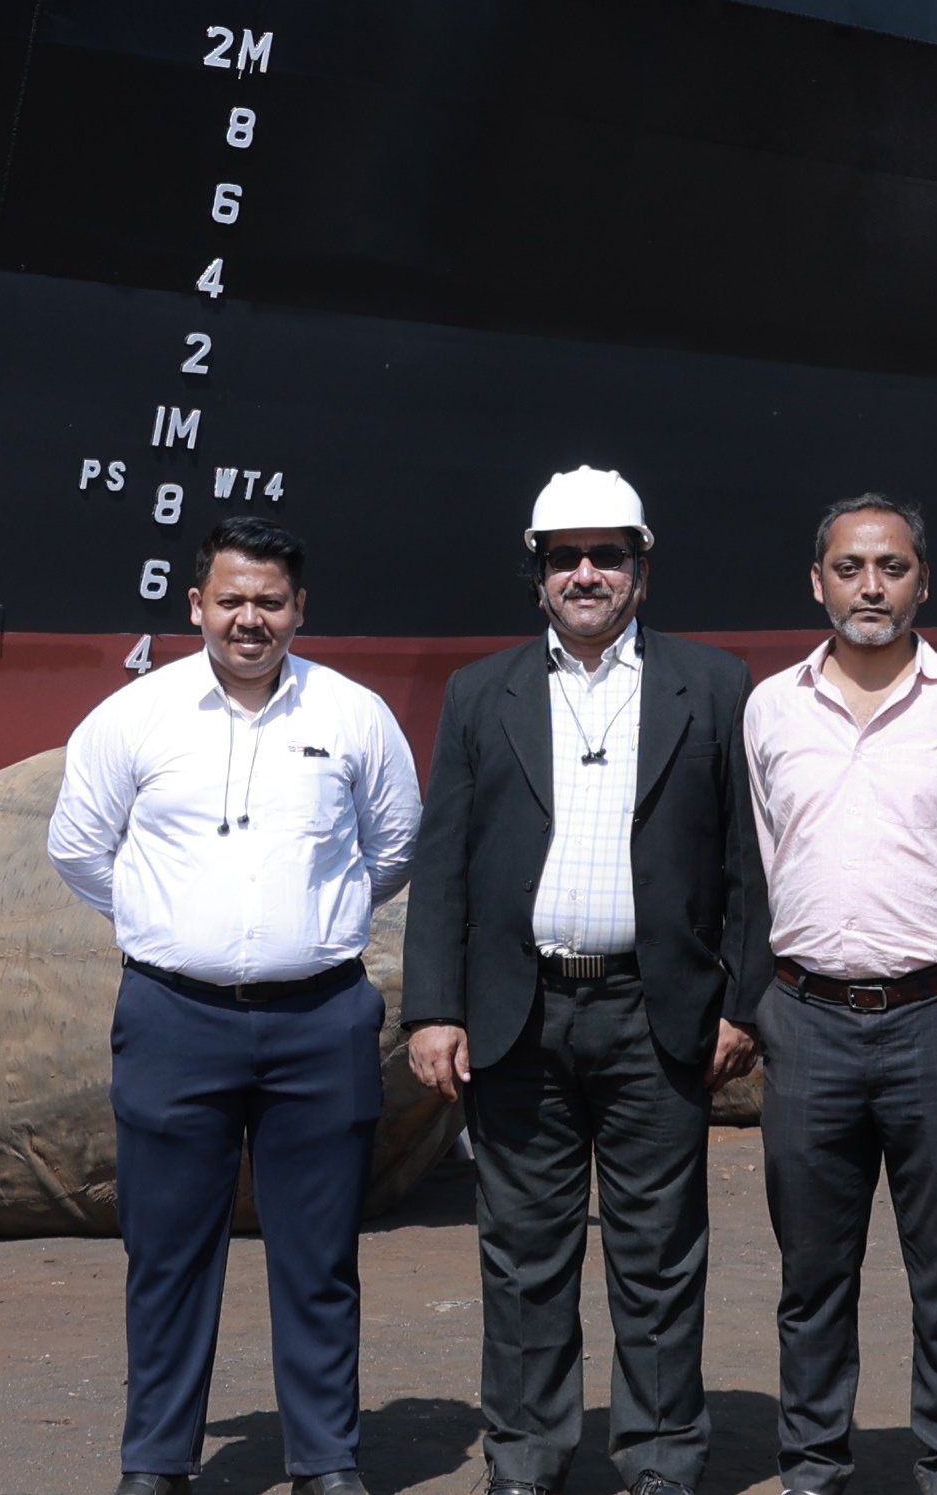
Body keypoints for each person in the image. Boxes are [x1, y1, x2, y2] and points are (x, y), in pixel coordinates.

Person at [404, 469, 768, 1495]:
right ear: (539, 578)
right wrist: (433, 1007)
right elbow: (446, 863)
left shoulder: (716, 684)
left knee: (658, 1258)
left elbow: (748, 860)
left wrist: (744, 1001)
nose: (586, 573)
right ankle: (525, 1459)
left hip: (659, 1016)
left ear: (641, 573)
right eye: (565, 558)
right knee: (524, 1256)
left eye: (607, 555)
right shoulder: (483, 692)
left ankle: (659, 1461)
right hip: (521, 1016)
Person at [48, 516, 423, 1495]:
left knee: (319, 1259)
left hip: (320, 1021)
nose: (248, 619)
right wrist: (171, 926)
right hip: (176, 1019)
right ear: (196, 608)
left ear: (300, 609)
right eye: (231, 600)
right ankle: (158, 1463)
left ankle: (327, 1462)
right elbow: (80, 849)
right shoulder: (134, 719)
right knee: (168, 1258)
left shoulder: (354, 718)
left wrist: (307, 924)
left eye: (269, 600)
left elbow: (393, 849)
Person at [743, 490, 937, 1495]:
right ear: (816, 579)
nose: (871, 586)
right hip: (808, 1021)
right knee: (811, 1277)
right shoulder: (770, 706)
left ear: (924, 578)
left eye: (893, 567)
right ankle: (814, 1468)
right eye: (850, 567)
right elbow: (765, 852)